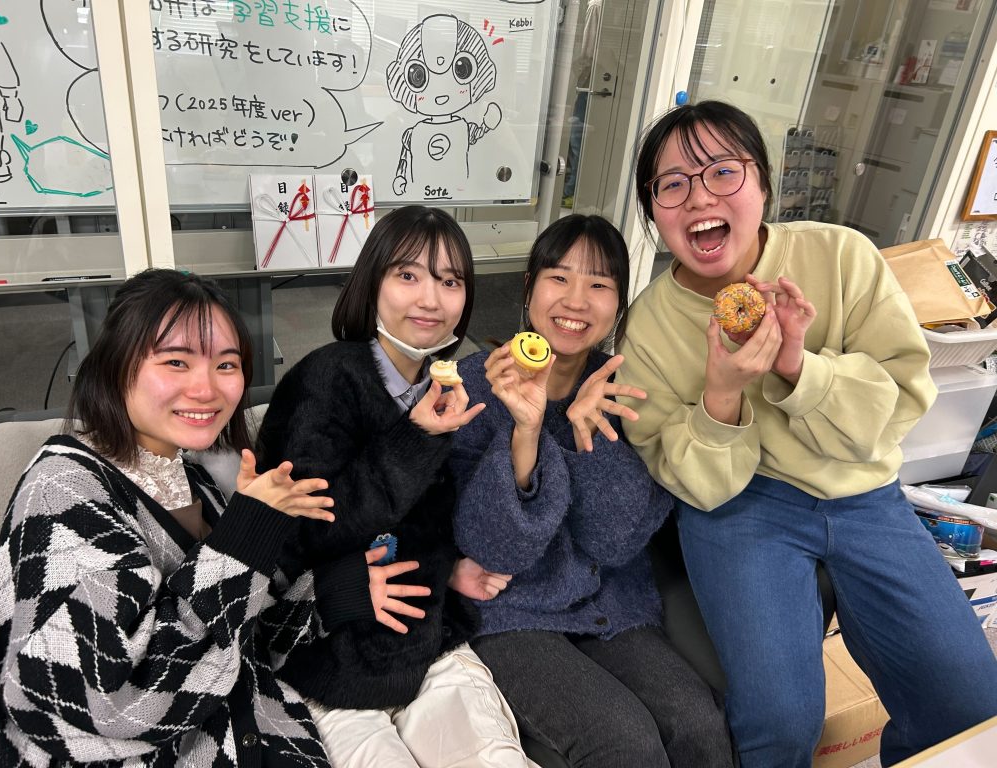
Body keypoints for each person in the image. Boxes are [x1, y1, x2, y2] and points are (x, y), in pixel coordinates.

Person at [618, 99, 997, 768]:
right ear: (654, 213)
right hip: (741, 509)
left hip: (863, 493)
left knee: (968, 702)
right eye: (671, 184)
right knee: (780, 724)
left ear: (763, 184)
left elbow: (902, 396)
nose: (699, 196)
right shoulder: (649, 325)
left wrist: (799, 366)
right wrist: (722, 393)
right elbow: (681, 476)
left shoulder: (840, 256)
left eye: (722, 171)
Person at [0, 269, 345, 766]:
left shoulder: (194, 476)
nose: (206, 389)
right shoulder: (63, 490)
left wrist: (340, 592)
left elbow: (238, 642)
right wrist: (244, 535)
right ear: (116, 367)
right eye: (176, 361)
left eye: (226, 364)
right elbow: (105, 701)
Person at [448, 214, 734, 768]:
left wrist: (590, 439)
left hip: (612, 606)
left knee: (699, 724)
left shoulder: (628, 388)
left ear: (619, 304)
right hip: (511, 613)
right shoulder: (475, 384)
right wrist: (526, 432)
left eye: (599, 284)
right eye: (559, 278)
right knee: (625, 743)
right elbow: (493, 550)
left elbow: (615, 542)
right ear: (529, 287)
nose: (576, 301)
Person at [256, 205, 536, 768]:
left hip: (427, 645)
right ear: (371, 284)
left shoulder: (442, 386)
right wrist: (416, 438)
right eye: (408, 275)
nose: (430, 299)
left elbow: (421, 520)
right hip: (327, 662)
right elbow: (308, 529)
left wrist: (446, 566)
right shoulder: (327, 380)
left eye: (449, 281)